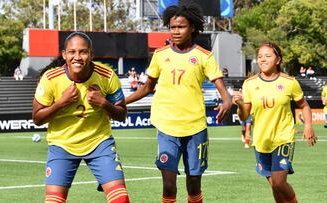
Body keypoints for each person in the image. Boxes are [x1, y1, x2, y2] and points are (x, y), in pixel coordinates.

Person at [125, 3, 232, 203]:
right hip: (166, 127)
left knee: (193, 183)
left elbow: (223, 90)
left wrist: (227, 100)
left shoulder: (204, 56)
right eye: (172, 27)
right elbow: (147, 87)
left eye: (180, 27)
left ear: (192, 27)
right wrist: (122, 102)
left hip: (195, 127)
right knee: (168, 184)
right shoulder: (160, 54)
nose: (175, 31)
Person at [32, 32, 130, 203]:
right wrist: (61, 103)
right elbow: (37, 118)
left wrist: (103, 103)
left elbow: (122, 114)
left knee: (121, 199)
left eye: (83, 52)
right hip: (62, 145)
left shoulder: (106, 76)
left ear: (91, 54)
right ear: (64, 55)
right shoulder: (50, 79)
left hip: (99, 143)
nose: (77, 57)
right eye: (72, 52)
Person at [232, 42, 317, 203]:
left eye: (268, 56)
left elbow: (304, 105)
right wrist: (241, 105)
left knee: (279, 182)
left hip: (283, 138)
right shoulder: (249, 84)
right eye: (260, 56)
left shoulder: (289, 82)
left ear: (278, 60)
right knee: (274, 186)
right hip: (261, 141)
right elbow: (244, 116)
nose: (262, 59)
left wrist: (308, 126)